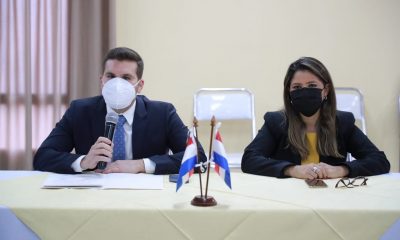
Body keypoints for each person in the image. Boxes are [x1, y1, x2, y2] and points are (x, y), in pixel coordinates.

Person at [34, 47, 205, 174]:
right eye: (110, 76)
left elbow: (199, 157)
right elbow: (42, 158)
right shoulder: (80, 111)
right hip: (92, 195)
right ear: (101, 80)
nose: (117, 84)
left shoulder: (162, 113)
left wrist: (141, 165)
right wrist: (84, 161)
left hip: (145, 197)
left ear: (140, 86)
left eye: (126, 78)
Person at [241, 57, 390, 179]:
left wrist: (341, 170)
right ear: (289, 93)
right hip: (288, 197)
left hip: (331, 197)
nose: (304, 91)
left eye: (312, 85)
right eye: (297, 87)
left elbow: (379, 161)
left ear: (325, 90)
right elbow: (249, 160)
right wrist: (292, 170)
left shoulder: (343, 122)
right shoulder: (276, 122)